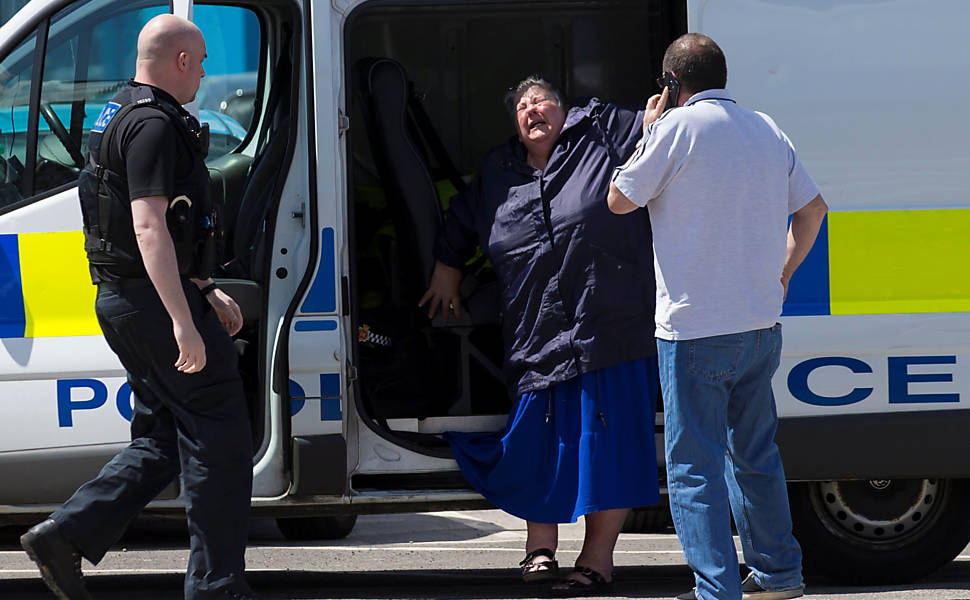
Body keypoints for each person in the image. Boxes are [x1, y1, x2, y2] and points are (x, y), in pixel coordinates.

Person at [19, 15, 257, 600]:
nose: (204, 73)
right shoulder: (154, 126)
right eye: (199, 62)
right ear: (179, 61)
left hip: (131, 299)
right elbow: (149, 228)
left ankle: (66, 535)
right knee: (220, 436)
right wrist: (184, 322)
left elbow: (169, 227)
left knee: (167, 434)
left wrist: (203, 289)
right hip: (151, 304)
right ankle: (217, 586)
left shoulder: (120, 111)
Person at [420, 76, 661, 595]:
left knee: (608, 448)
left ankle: (598, 560)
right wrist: (447, 266)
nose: (532, 110)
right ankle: (539, 549)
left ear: (564, 109)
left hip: (611, 328)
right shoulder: (498, 168)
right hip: (535, 331)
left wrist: (664, 104)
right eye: (522, 107)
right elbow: (463, 215)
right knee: (536, 445)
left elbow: (655, 127)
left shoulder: (601, 134)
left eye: (541, 101)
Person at [607, 34, 828, 600]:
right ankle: (779, 575)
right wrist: (784, 273)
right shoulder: (765, 127)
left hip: (695, 330)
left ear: (672, 83)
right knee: (754, 454)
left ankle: (716, 590)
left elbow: (619, 198)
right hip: (759, 324)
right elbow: (813, 210)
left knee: (693, 469)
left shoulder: (675, 129)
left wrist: (649, 129)